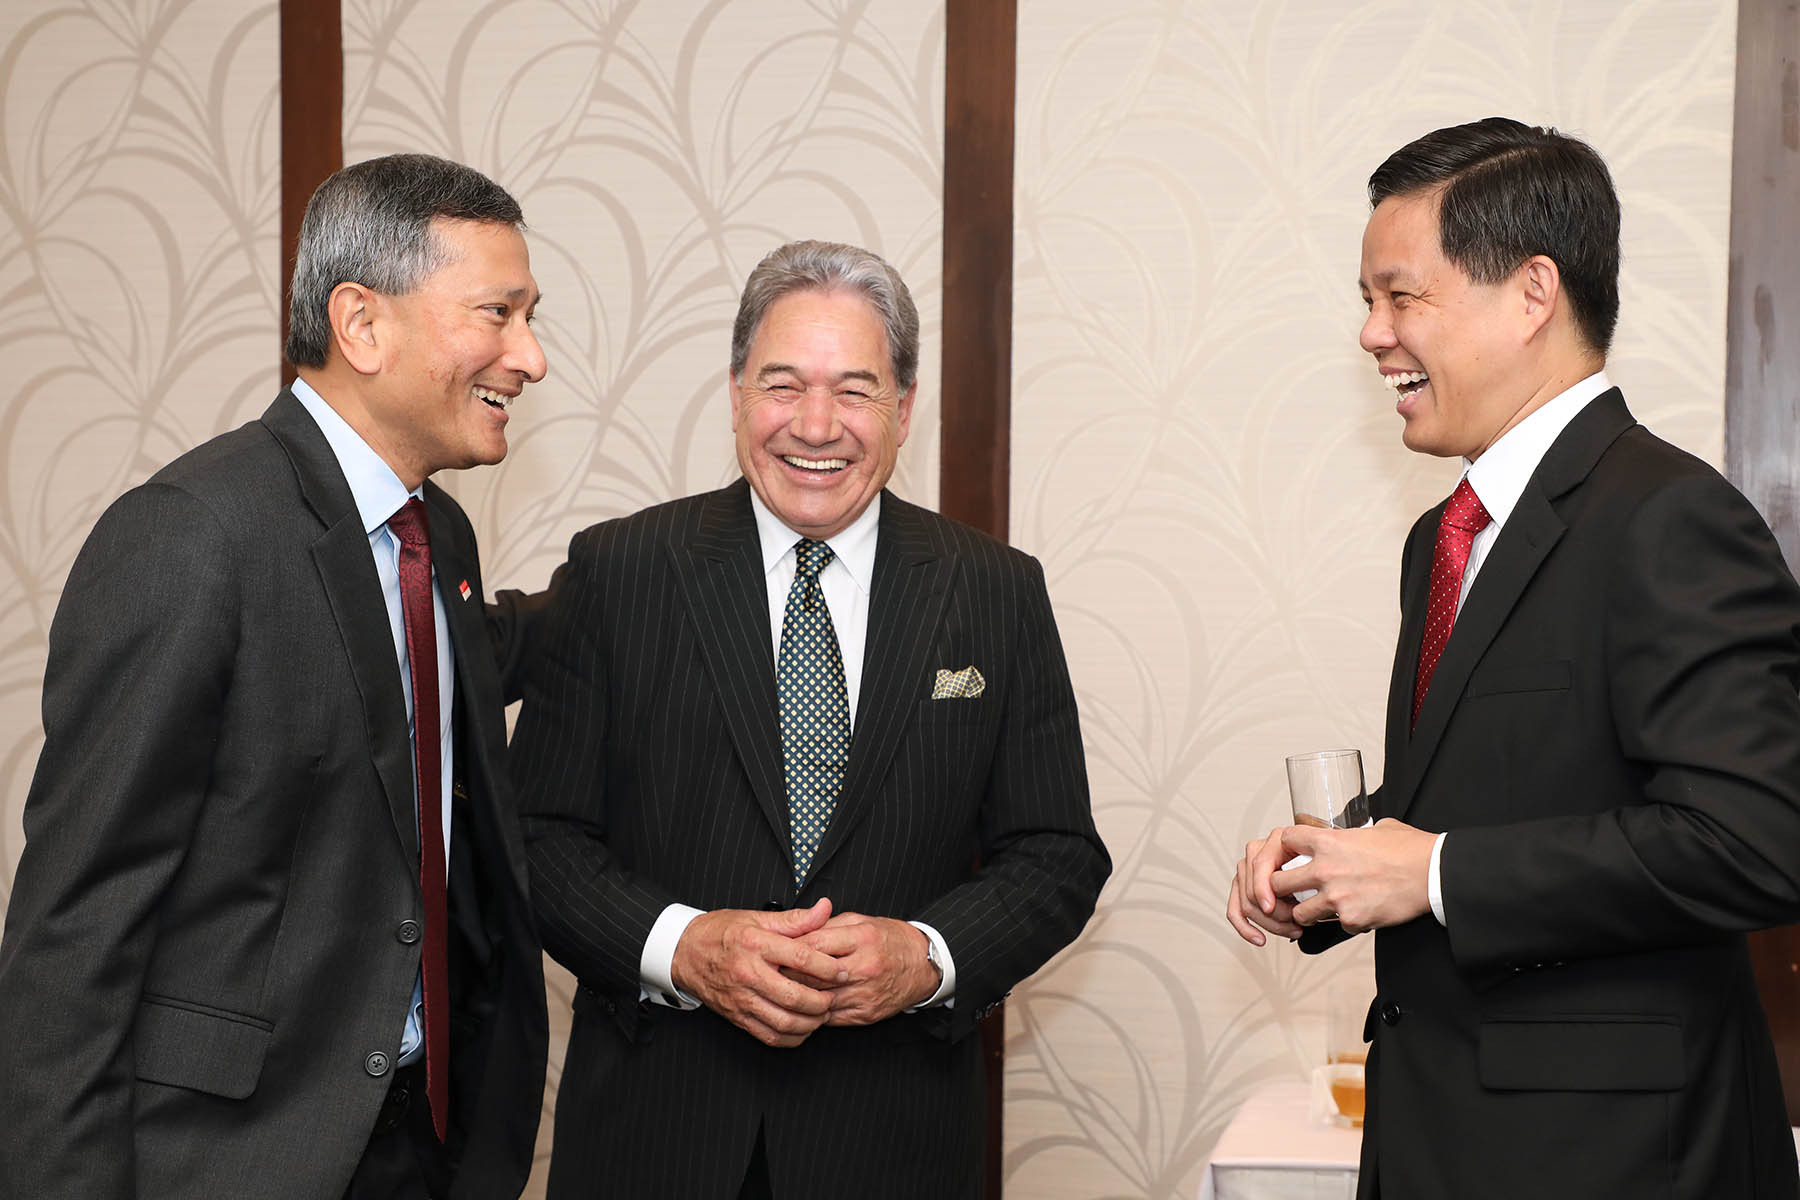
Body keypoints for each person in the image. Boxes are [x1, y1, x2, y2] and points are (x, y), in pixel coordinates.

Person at [1225, 117, 1800, 1199]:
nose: (1371, 335)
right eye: (1366, 301)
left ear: (1533, 293)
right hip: (1442, 1137)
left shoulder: (1669, 518)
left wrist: (1433, 871)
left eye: (1401, 298)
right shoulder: (1444, 536)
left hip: (1613, 1161)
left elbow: (1757, 841)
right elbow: (1517, 785)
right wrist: (1338, 865)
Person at [0, 153, 551, 1199]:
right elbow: (76, 935)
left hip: (420, 1143)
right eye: (499, 313)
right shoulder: (193, 537)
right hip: (234, 1157)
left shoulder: (443, 543)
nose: (529, 356)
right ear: (363, 323)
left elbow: (425, 702)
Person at [510, 239, 1111, 1199]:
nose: (816, 425)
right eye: (783, 385)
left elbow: (1057, 853)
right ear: (739, 393)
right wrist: (684, 948)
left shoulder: (995, 590)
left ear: (904, 408)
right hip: (654, 1141)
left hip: (898, 1145)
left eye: (857, 391)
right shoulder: (619, 572)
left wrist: (926, 957)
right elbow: (538, 839)